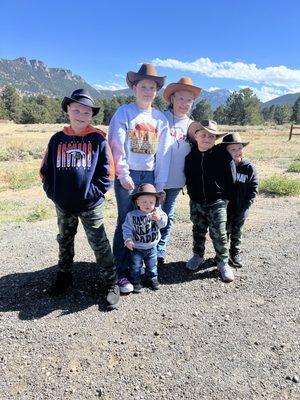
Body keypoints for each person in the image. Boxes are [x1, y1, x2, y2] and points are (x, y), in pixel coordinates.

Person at [40, 89, 120, 310]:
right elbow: (44, 171)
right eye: (76, 110)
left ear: (91, 115)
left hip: (90, 205)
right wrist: (54, 193)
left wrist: (93, 193)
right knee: (64, 239)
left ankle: (110, 282)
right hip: (63, 204)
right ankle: (64, 275)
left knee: (99, 243)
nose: (81, 115)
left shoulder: (98, 139)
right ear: (68, 110)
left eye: (86, 112)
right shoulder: (56, 139)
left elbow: (108, 174)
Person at [108, 63, 171, 294]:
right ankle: (120, 271)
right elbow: (116, 145)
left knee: (148, 218)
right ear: (134, 88)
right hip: (130, 173)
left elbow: (163, 153)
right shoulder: (124, 113)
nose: (147, 90)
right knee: (126, 219)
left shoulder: (160, 119)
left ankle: (142, 266)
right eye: (143, 85)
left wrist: (160, 182)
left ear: (156, 91)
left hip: (150, 174)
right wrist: (123, 174)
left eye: (152, 87)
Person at [156, 77, 202, 265]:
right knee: (152, 214)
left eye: (189, 100)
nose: (184, 103)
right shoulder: (159, 118)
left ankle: (160, 250)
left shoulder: (192, 126)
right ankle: (147, 249)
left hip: (176, 181)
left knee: (168, 216)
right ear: (172, 99)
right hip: (155, 178)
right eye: (181, 98)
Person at [185, 120, 236, 282]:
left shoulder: (222, 156)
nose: (207, 138)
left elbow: (231, 179)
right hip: (197, 201)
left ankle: (222, 262)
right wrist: (193, 196)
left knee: (219, 233)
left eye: (211, 136)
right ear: (196, 136)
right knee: (198, 230)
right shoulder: (190, 157)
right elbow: (189, 178)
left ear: (215, 139)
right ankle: (197, 255)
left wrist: (226, 198)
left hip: (218, 201)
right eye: (203, 135)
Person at [221, 133, 258, 268]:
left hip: (241, 208)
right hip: (225, 208)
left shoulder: (248, 167)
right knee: (224, 232)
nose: (237, 152)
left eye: (239, 148)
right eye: (233, 149)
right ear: (226, 151)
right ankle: (221, 255)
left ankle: (235, 253)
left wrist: (246, 206)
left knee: (237, 233)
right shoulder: (222, 167)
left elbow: (253, 188)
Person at [122, 183, 167, 293]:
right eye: (144, 201)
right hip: (136, 247)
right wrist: (128, 239)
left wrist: (158, 219)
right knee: (136, 266)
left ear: (155, 202)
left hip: (152, 247)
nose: (148, 204)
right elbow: (127, 228)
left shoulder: (157, 212)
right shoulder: (132, 215)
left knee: (152, 265)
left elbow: (164, 224)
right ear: (137, 202)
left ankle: (152, 279)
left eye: (151, 202)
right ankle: (135, 281)